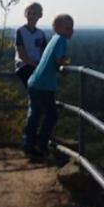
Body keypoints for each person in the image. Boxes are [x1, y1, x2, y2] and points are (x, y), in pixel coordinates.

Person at [22, 13, 73, 158]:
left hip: (34, 82)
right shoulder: (61, 40)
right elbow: (59, 61)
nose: (71, 31)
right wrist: (65, 67)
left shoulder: (53, 39)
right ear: (58, 28)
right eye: (68, 28)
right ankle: (41, 145)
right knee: (51, 116)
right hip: (44, 86)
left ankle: (28, 146)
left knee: (34, 116)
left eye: (72, 28)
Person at [13, 2, 47, 86]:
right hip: (24, 66)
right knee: (35, 89)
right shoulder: (20, 31)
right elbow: (21, 54)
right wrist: (36, 65)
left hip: (37, 67)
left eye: (34, 13)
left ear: (40, 15)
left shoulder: (41, 34)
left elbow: (44, 53)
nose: (31, 16)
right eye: (29, 13)